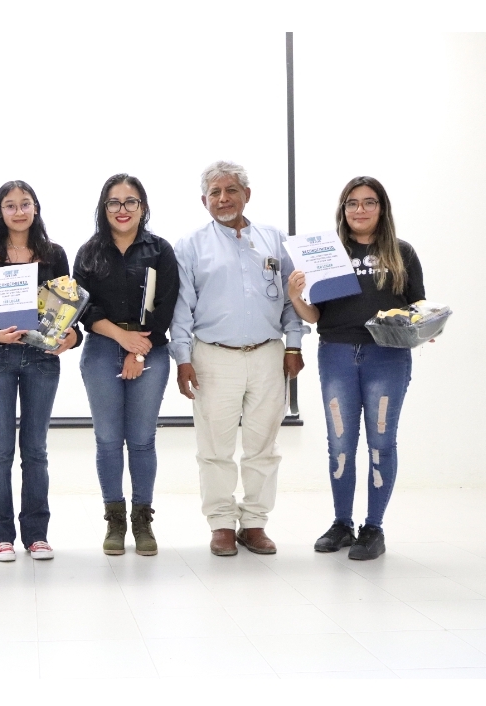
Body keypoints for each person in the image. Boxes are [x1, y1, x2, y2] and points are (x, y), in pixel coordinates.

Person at [170, 160, 309, 557]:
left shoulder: (274, 240)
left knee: (263, 446)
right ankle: (221, 525)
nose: (223, 198)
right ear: (204, 201)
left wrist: (294, 345)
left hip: (268, 355)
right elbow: (182, 309)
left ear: (246, 194)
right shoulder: (190, 245)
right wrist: (182, 358)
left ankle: (254, 523)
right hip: (213, 357)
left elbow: (292, 298)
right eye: (214, 192)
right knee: (215, 448)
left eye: (231, 190)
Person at [288, 176, 424, 561]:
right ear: (343, 210)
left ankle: (373, 528)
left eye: (368, 202)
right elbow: (315, 315)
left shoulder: (402, 253)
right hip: (337, 356)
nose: (359, 210)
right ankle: (342, 524)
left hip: (387, 357)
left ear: (382, 208)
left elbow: (418, 306)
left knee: (381, 442)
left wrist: (423, 326)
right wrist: (295, 296)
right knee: (341, 443)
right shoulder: (328, 254)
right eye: (352, 203)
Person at [0, 181, 81, 562]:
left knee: (35, 450)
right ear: (0, 211)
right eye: (10, 205)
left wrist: (72, 336)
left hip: (41, 360)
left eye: (25, 204)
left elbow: (68, 309)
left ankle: (36, 534)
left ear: (36, 208)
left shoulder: (54, 254)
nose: (18, 211)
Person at [73, 174, 179, 556]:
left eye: (130, 201)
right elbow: (83, 308)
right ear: (104, 208)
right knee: (107, 439)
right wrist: (122, 339)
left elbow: (166, 305)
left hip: (150, 349)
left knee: (141, 439)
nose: (122, 209)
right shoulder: (89, 252)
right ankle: (115, 520)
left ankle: (142, 520)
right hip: (102, 349)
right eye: (114, 202)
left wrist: (138, 352)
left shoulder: (160, 250)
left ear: (142, 207)